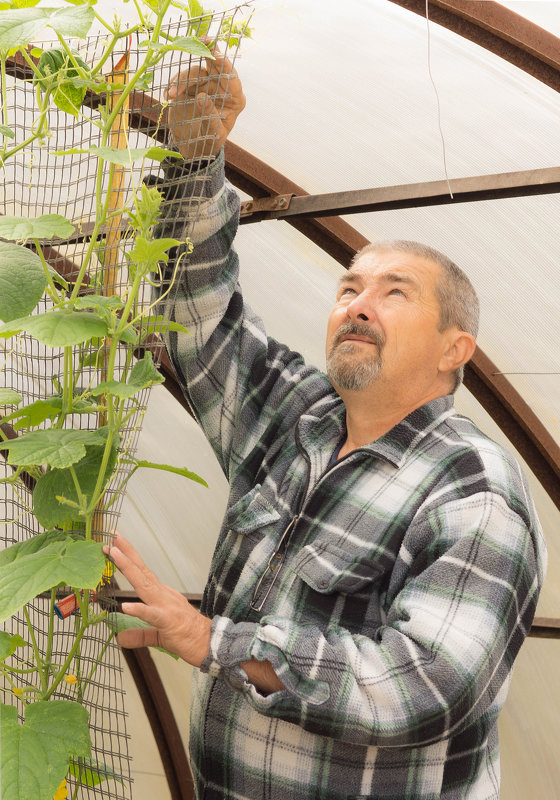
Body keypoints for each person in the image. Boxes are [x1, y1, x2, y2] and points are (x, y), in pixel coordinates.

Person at [105, 50, 547, 800]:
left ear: (454, 350)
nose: (358, 303)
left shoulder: (474, 489)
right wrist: (194, 162)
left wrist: (214, 641)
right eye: (349, 287)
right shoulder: (296, 418)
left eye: (394, 291)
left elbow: (425, 685)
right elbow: (199, 321)